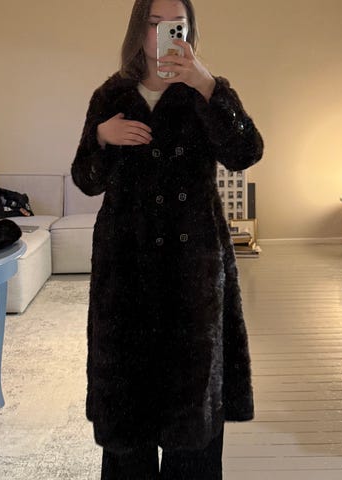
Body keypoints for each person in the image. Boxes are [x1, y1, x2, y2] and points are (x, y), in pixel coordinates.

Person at [71, 0, 264, 478]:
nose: (163, 33)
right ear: (138, 30)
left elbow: (246, 152)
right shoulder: (111, 95)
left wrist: (206, 84)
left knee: (193, 410)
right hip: (126, 269)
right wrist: (101, 136)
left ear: (189, 30)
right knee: (127, 411)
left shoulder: (206, 91)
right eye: (154, 23)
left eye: (175, 24)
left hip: (192, 269)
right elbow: (86, 180)